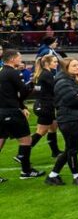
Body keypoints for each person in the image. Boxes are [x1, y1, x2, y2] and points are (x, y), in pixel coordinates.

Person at [1, 49, 42, 181]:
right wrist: (32, 85)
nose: (21, 60)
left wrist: (22, 106)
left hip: (1, 111)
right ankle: (26, 171)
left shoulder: (1, 70)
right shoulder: (13, 72)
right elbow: (23, 91)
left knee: (1, 141)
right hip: (11, 112)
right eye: (19, 58)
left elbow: (9, 93)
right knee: (26, 140)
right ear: (12, 59)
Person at [47, 57, 78, 186]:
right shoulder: (63, 81)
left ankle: (53, 175)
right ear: (66, 67)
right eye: (74, 65)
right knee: (72, 149)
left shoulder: (72, 79)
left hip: (74, 117)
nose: (77, 67)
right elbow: (73, 99)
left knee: (70, 149)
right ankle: (76, 176)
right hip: (68, 118)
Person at [29, 54, 61, 159]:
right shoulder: (46, 74)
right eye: (54, 62)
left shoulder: (43, 73)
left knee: (53, 127)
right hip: (45, 107)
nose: (56, 64)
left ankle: (55, 152)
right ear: (47, 63)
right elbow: (55, 89)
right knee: (41, 132)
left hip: (43, 105)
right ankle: (22, 154)